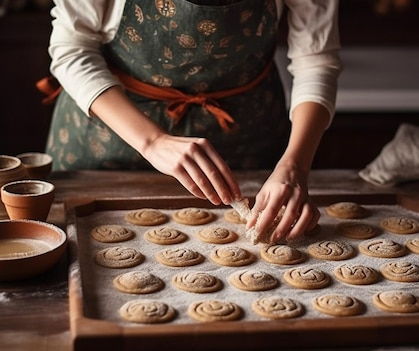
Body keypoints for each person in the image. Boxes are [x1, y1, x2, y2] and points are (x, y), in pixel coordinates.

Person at [43, 0, 341, 243]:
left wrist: (295, 165)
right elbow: (72, 48)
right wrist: (152, 141)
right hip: (111, 132)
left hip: (245, 132)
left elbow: (315, 60)